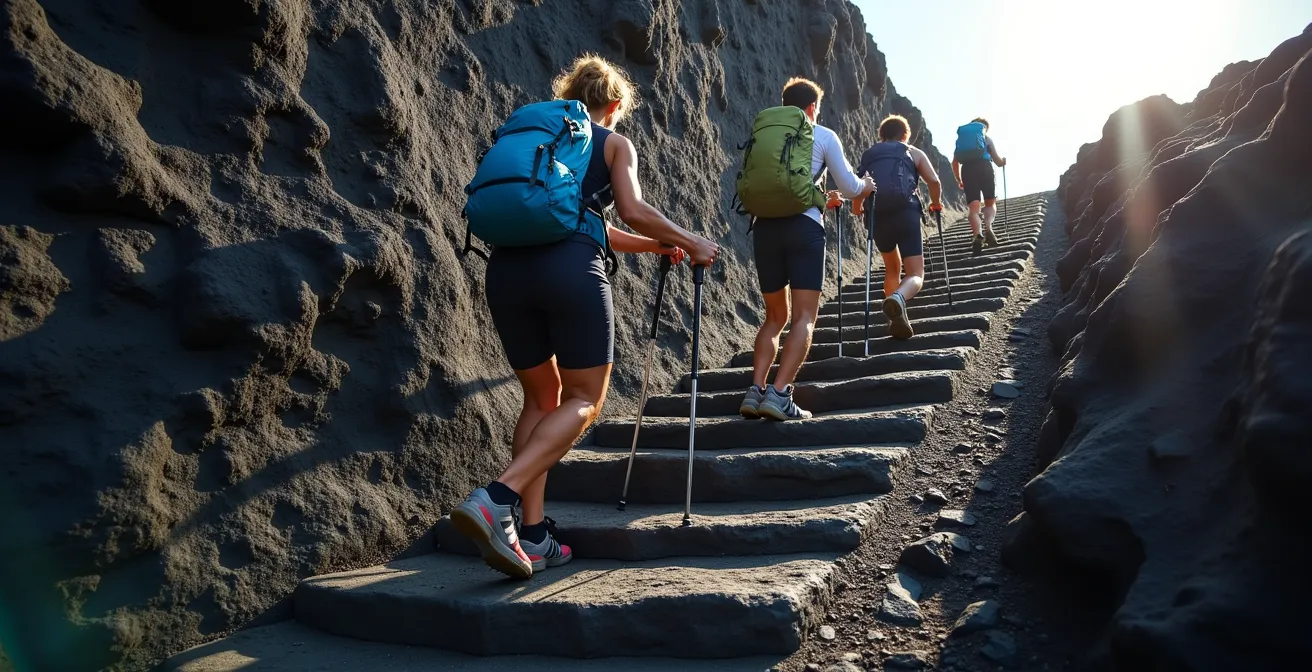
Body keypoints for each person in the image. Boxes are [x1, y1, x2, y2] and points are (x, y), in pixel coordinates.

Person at [450, 55, 721, 579]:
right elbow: (633, 208)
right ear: (614, 106)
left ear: (571, 94)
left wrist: (656, 247)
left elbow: (599, 223)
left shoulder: (541, 136)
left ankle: (531, 533)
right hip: (570, 272)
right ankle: (496, 498)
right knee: (582, 400)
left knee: (540, 398)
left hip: (506, 272)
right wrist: (690, 240)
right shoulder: (613, 143)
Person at [739, 77, 877, 421]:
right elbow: (848, 184)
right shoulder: (822, 134)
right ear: (813, 107)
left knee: (774, 318)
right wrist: (866, 187)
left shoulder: (766, 133)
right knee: (804, 317)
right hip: (804, 230)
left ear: (785, 103)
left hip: (765, 228)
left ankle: (755, 391)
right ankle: (781, 394)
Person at [851, 115, 944, 340]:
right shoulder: (912, 151)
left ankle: (894, 314)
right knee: (915, 273)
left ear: (881, 135)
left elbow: (860, 185)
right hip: (906, 213)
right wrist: (935, 203)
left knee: (892, 268)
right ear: (905, 134)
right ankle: (899, 299)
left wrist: (857, 207)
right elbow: (934, 182)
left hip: (878, 216)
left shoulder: (870, 154)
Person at [951, 118, 1007, 256]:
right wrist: (1003, 162)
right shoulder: (986, 138)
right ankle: (988, 227)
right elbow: (998, 161)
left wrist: (958, 178)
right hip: (985, 168)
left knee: (974, 208)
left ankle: (977, 235)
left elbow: (955, 162)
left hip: (967, 170)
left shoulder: (961, 141)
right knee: (990, 203)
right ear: (984, 128)